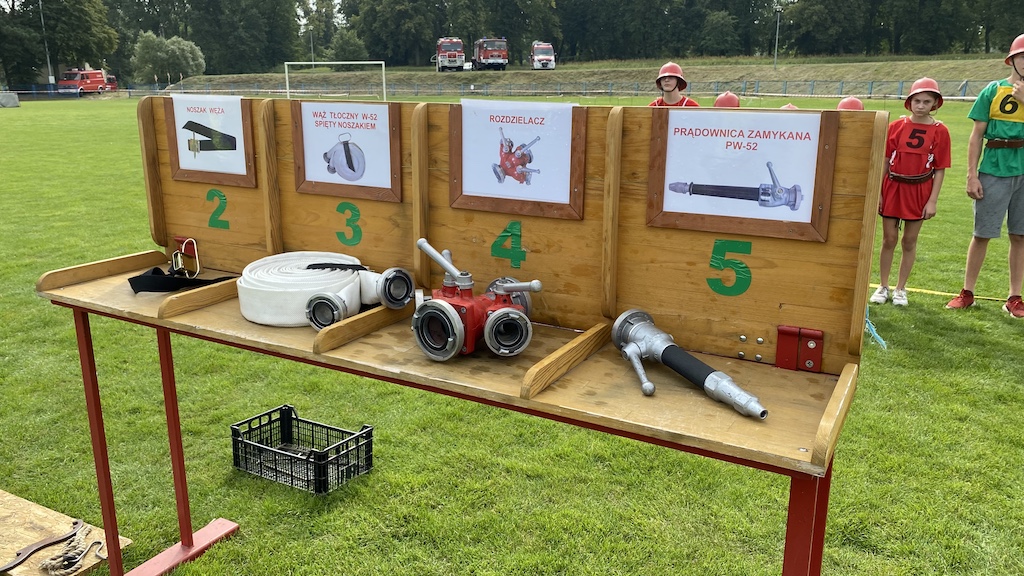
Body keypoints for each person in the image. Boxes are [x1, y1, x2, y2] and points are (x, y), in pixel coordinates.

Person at [945, 33, 1024, 317]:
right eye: (1023, 57)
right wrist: (972, 175)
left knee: (1020, 236)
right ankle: (967, 292)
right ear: (1011, 60)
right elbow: (976, 136)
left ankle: (1014, 297)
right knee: (982, 234)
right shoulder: (993, 90)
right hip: (993, 170)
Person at [869, 77, 951, 307]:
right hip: (893, 187)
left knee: (909, 241)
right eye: (917, 101)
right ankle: (883, 285)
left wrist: (932, 200)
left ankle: (900, 289)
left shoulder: (940, 131)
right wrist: (878, 192)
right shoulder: (896, 126)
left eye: (927, 101)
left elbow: (940, 169)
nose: (921, 105)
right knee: (889, 239)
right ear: (909, 102)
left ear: (935, 103)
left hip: (919, 190)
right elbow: (885, 161)